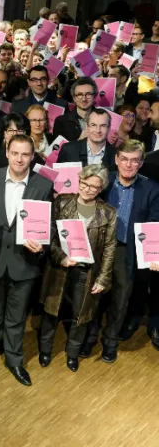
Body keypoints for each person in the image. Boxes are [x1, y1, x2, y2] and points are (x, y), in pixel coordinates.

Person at [0, 135, 54, 386]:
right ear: (7, 152)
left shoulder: (43, 185)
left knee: (16, 316)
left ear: (32, 156)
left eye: (25, 154)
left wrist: (42, 244)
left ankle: (15, 360)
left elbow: (48, 223)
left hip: (25, 261)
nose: (19, 159)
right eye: (15, 153)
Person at [82, 140, 159, 361]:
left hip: (127, 251)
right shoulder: (103, 182)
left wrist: (154, 255)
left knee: (121, 298)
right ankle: (89, 338)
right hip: (99, 248)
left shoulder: (151, 188)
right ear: (116, 159)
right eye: (124, 159)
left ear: (141, 163)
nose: (128, 164)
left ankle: (110, 341)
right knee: (94, 296)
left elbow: (154, 223)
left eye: (134, 161)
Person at [38, 165, 116, 372]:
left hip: (87, 271)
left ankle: (72, 354)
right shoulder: (62, 202)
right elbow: (50, 235)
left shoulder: (108, 213)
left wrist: (103, 279)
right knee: (51, 311)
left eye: (94, 187)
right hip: (60, 268)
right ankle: (45, 350)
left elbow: (109, 248)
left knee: (80, 316)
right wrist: (61, 257)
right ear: (79, 181)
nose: (88, 189)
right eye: (85, 183)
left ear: (100, 190)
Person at [53, 77, 98, 142]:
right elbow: (58, 151)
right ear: (74, 98)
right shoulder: (61, 122)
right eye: (79, 95)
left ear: (94, 97)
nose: (84, 99)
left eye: (88, 94)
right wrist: (79, 141)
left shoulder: (105, 119)